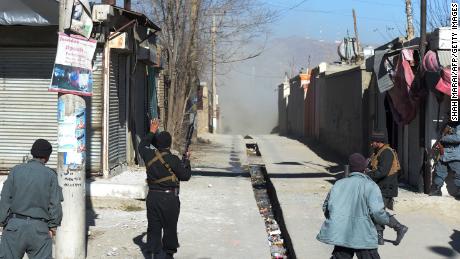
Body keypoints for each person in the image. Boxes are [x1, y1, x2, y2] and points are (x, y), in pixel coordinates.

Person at [317, 153, 389, 259]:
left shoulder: (338, 184)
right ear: (364, 168)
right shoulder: (371, 186)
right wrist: (385, 220)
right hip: (364, 235)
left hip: (341, 234)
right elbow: (377, 211)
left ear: (350, 169)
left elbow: (326, 207)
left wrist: (336, 220)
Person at [0, 139, 63, 259]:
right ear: (47, 157)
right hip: (40, 230)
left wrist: (3, 222)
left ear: (32, 153)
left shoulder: (15, 171)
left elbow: (5, 199)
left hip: (14, 227)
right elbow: (55, 205)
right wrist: (52, 227)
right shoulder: (51, 175)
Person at [139, 119, 192, 259]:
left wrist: (151, 131)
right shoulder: (173, 159)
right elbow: (185, 176)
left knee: (154, 228)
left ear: (157, 144)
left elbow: (142, 145)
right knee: (170, 228)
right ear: (169, 144)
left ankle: (155, 254)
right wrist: (187, 162)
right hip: (169, 199)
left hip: (152, 197)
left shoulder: (148, 155)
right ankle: (168, 255)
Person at [367, 131, 408, 246]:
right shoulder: (379, 152)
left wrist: (367, 175)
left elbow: (382, 172)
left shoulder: (387, 153)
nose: (371, 144)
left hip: (386, 188)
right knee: (377, 211)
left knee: (377, 211)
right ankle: (379, 237)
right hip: (380, 187)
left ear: (378, 142)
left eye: (373, 142)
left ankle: (399, 227)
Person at [430, 120, 460, 198]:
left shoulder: (458, 125)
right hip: (443, 154)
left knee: (458, 174)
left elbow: (458, 138)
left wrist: (443, 138)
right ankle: (436, 190)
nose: (449, 116)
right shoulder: (446, 125)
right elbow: (440, 135)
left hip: (455, 155)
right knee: (439, 173)